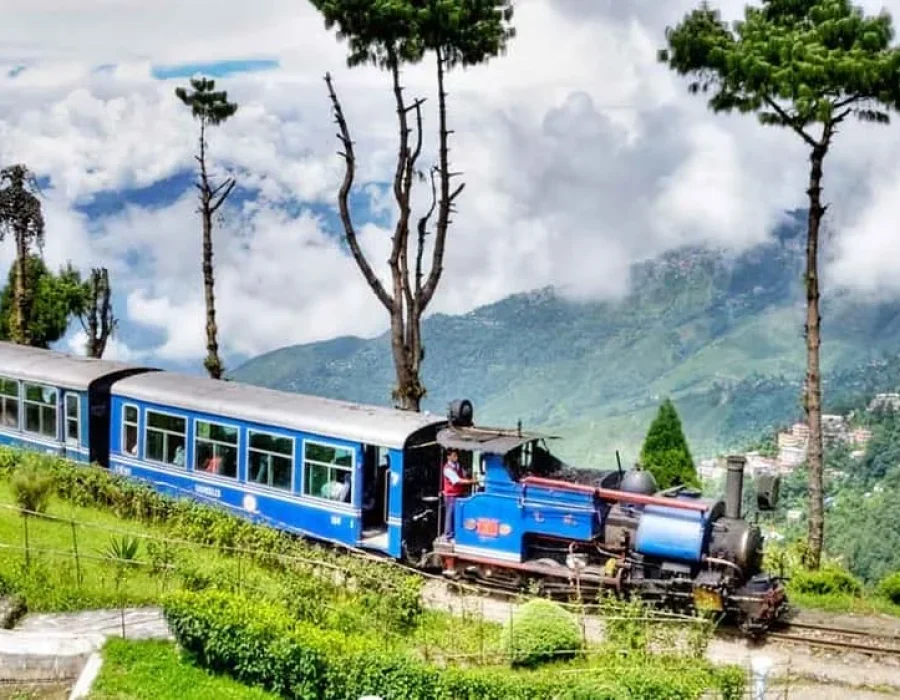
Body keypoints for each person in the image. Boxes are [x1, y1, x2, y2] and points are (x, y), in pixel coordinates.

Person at [442, 449, 473, 540]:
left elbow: (463, 475)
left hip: (459, 493)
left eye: (456, 455)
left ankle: (457, 533)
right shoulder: (447, 469)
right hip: (451, 495)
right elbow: (457, 480)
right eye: (454, 455)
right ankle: (448, 535)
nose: (456, 457)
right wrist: (470, 481)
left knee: (458, 514)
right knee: (450, 515)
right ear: (448, 457)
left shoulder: (458, 465)